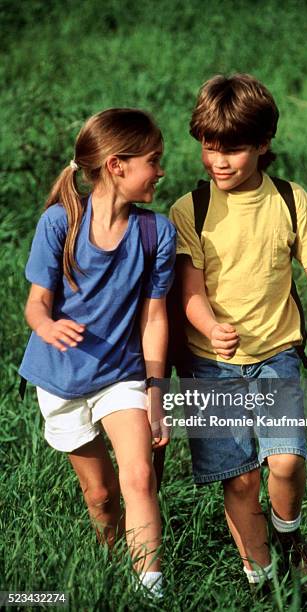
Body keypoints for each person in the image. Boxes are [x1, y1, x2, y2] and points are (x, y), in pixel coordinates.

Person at [169, 74, 307, 592]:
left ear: (264, 144)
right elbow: (189, 286)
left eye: (234, 149)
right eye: (209, 147)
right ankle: (262, 577)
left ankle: (289, 534)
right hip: (210, 364)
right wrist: (207, 323)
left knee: (287, 460)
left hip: (276, 355)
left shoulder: (290, 200)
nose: (219, 161)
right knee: (242, 476)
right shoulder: (192, 208)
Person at [19, 108, 176, 599]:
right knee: (102, 496)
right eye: (153, 161)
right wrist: (47, 325)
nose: (161, 171)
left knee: (138, 476)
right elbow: (35, 305)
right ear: (116, 165)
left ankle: (151, 591)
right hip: (60, 379)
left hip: (121, 375)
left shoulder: (156, 233)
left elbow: (153, 319)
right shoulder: (59, 222)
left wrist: (156, 395)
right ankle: (112, 571)